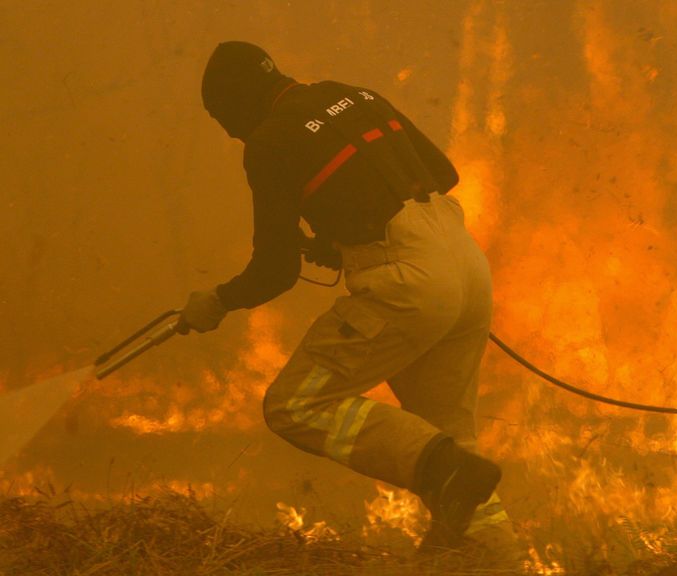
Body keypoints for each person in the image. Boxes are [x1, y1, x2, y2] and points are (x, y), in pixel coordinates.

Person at [178, 41, 516, 552]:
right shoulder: (351, 94)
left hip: (407, 283)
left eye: (222, 116)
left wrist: (219, 301)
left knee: (295, 405)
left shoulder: (268, 141)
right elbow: (443, 174)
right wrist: (346, 238)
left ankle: (441, 470)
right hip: (466, 265)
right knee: (447, 434)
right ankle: (492, 556)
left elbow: (275, 270)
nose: (228, 131)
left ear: (238, 100)